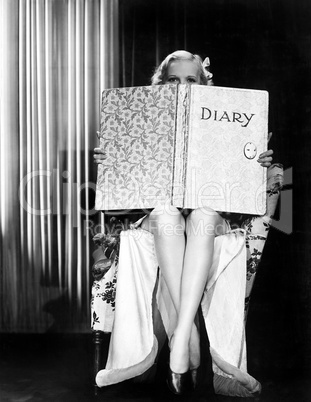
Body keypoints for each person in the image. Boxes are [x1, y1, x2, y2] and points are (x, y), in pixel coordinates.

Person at [93, 50, 273, 395]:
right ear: (161, 84)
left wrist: (255, 164)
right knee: (165, 213)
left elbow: (247, 201)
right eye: (173, 80)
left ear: (204, 84)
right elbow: (121, 198)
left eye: (191, 79)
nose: (182, 86)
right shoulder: (139, 120)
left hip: (211, 224)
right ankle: (187, 336)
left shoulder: (224, 118)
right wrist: (110, 161)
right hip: (160, 224)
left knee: (204, 215)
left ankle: (180, 339)